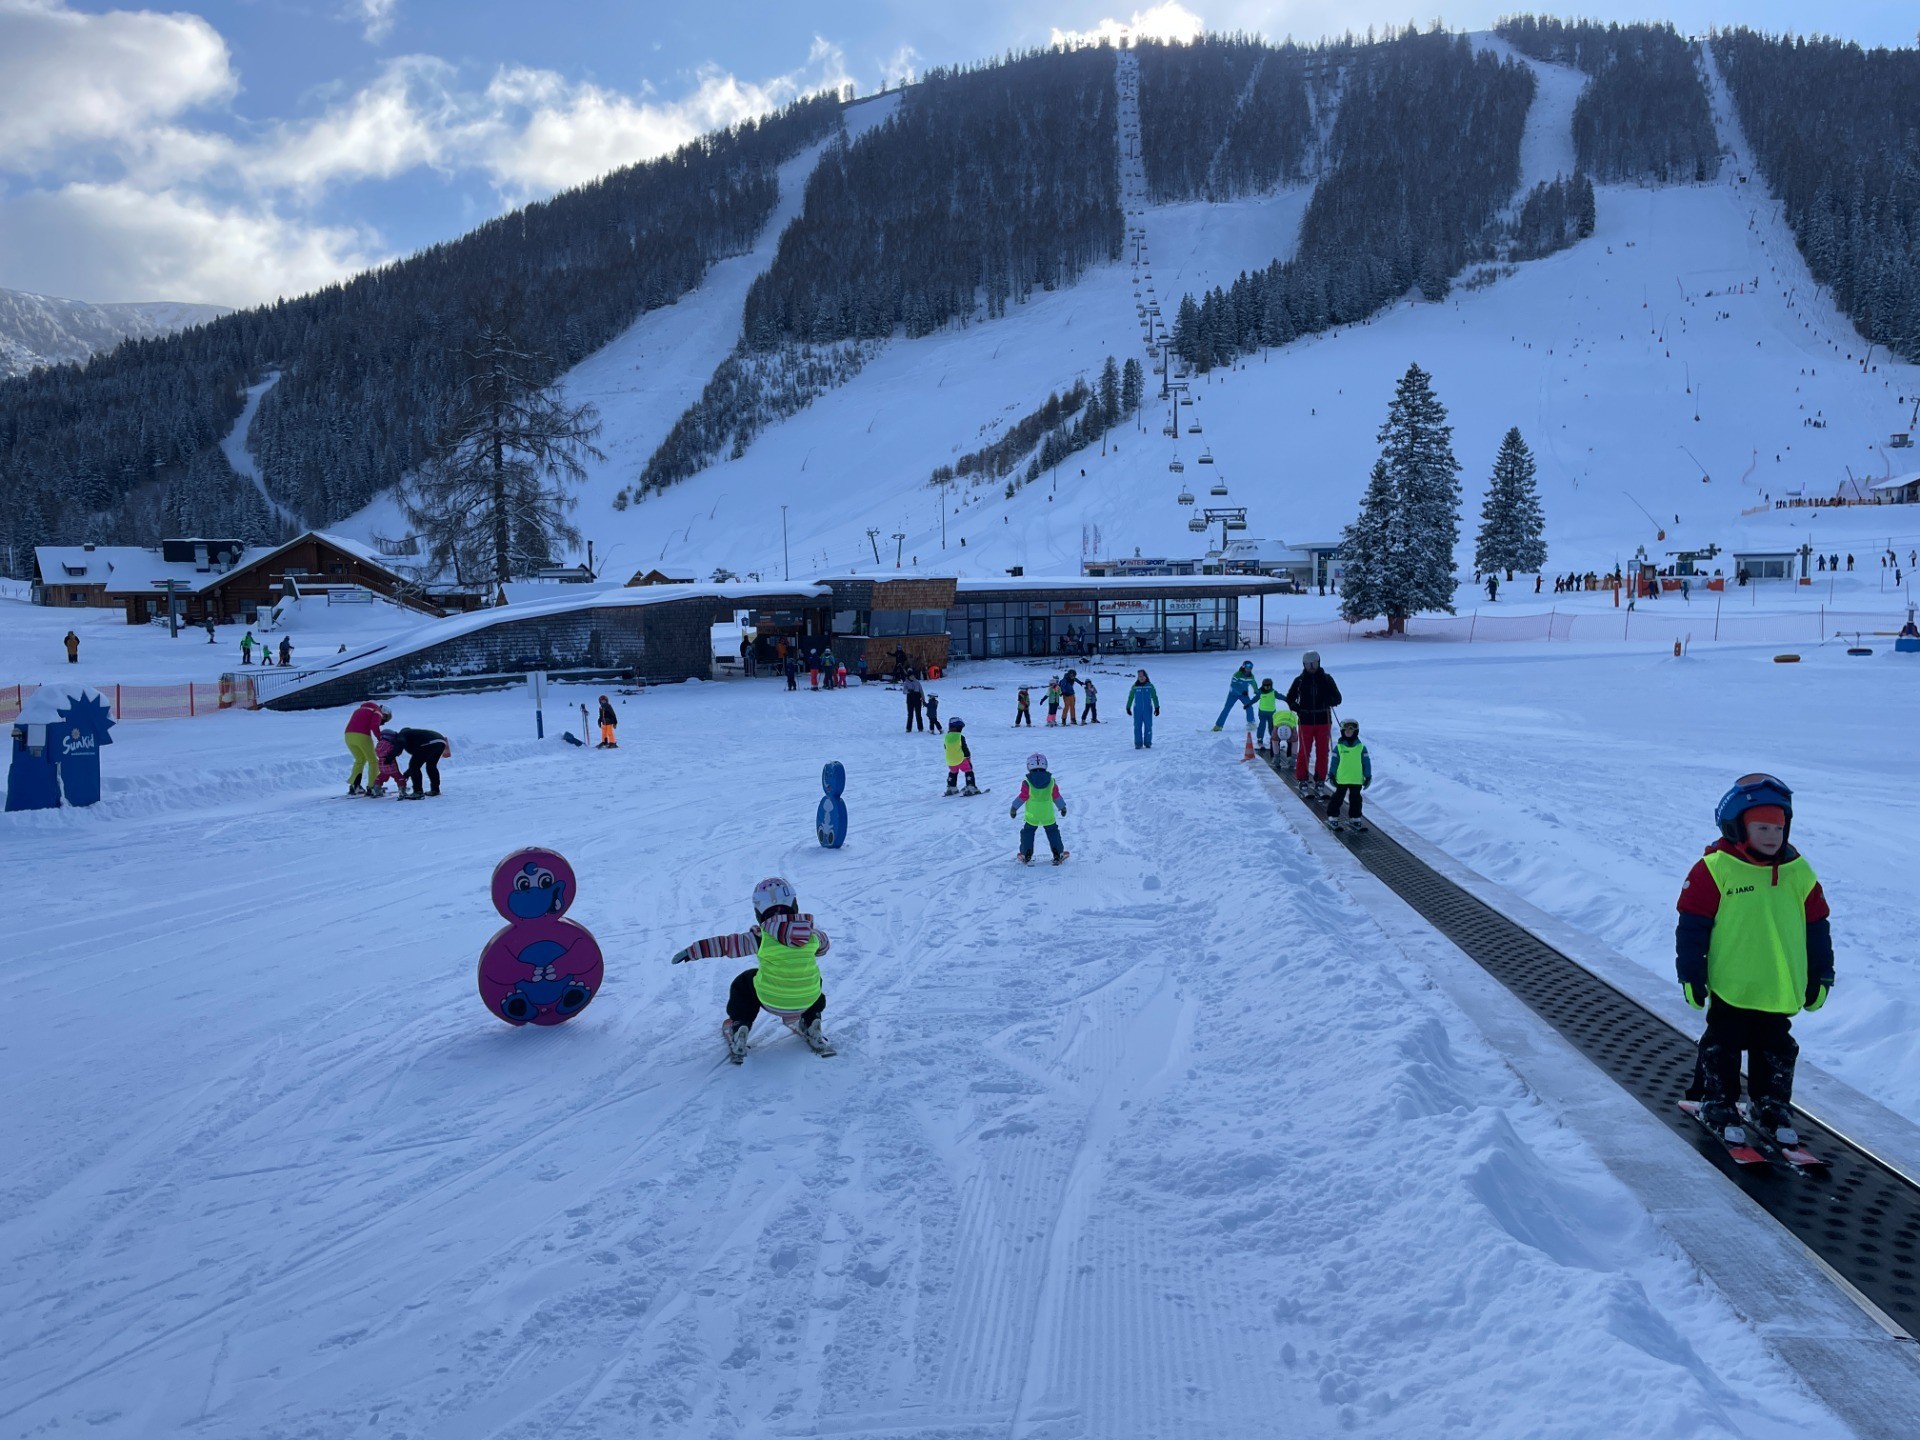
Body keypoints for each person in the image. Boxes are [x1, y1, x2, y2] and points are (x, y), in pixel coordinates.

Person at [1676, 774, 1833, 1147]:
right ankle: (1718, 1101)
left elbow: (1817, 928)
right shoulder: (1715, 869)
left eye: (1778, 828)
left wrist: (1821, 974)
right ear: (1737, 826)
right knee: (1723, 1044)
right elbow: (1692, 926)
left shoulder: (1799, 872)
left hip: (1779, 987)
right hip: (1731, 983)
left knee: (1777, 1048)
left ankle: (1770, 1105)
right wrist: (1691, 972)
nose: (1772, 836)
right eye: (1762, 827)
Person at [671, 877, 833, 1061]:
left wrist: (692, 951)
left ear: (759, 912)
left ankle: (740, 1026)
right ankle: (812, 1023)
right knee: (811, 977)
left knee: (745, 981)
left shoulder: (761, 937)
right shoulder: (813, 935)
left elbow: (725, 945)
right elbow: (824, 948)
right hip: (807, 1000)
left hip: (771, 1000)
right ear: (794, 905)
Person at [1285, 651, 1342, 794]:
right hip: (1306, 720)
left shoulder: (1327, 679)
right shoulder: (1299, 681)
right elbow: (1290, 698)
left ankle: (1320, 779)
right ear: (1304, 665)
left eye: (1314, 664)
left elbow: (1338, 698)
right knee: (1304, 751)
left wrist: (1329, 701)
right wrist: (1296, 707)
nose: (1312, 667)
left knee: (1323, 751)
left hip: (1323, 720)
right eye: (1308, 664)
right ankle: (1302, 779)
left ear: (1319, 663)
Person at [1011, 751, 1069, 864]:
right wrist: (1062, 807)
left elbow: (1022, 797)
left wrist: (1014, 807)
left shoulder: (1027, 783)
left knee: (1028, 832)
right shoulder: (1051, 782)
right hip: (1047, 814)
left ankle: (1026, 853)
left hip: (1032, 815)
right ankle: (1058, 853)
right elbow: (1056, 796)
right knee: (1053, 832)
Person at [1325, 719, 1372, 828]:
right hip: (1342, 779)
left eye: (1351, 730)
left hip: (1356, 779)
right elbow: (1334, 762)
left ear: (1356, 731)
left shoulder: (1361, 747)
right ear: (1342, 731)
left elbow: (1366, 762)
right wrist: (1331, 774)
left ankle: (1355, 817)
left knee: (1356, 799)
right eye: (1346, 730)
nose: (1348, 732)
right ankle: (1333, 816)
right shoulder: (1339, 747)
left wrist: (1368, 776)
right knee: (1338, 798)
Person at [343, 700, 389, 795]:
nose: (383, 721)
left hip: (348, 736)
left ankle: (354, 786)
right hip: (362, 736)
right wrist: (380, 739)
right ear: (385, 714)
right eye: (384, 719)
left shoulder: (360, 710)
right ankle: (373, 787)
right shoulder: (377, 711)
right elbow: (374, 725)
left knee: (360, 760)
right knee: (373, 761)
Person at [395, 726, 450, 797]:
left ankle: (418, 792)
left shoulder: (403, 734)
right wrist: (407, 774)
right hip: (441, 741)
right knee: (431, 766)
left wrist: (391, 756)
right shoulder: (416, 736)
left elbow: (415, 764)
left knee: (414, 765)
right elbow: (420, 760)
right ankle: (435, 790)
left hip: (429, 743)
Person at [1212, 660, 1256, 731]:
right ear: (1244, 667)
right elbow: (1233, 685)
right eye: (1247, 666)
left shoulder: (1251, 676)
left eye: (1250, 667)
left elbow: (1253, 683)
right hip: (1233, 694)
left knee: (1249, 707)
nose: (1249, 668)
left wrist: (1256, 691)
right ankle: (1218, 726)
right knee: (1227, 708)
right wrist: (1241, 692)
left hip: (1243, 695)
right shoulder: (1237, 674)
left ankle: (1251, 723)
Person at [943, 717, 980, 795]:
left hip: (950, 760)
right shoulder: (960, 737)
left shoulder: (946, 737)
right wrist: (968, 756)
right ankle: (971, 787)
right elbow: (964, 748)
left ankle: (951, 787)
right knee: (968, 770)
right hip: (961, 759)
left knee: (953, 772)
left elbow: (946, 747)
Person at [1126, 669, 1158, 749]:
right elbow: (1131, 697)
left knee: (1148, 726)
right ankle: (1138, 743)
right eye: (1139, 676)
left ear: (1145, 676)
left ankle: (1148, 743)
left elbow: (1154, 697)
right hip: (1138, 710)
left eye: (1142, 676)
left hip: (1147, 710)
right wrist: (1128, 707)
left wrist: (1157, 707)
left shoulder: (1150, 686)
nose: (1141, 678)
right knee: (1137, 727)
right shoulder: (1135, 686)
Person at [370, 730, 404, 797]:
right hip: (390, 764)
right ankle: (402, 790)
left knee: (381, 777)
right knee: (399, 777)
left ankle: (376, 790)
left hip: (381, 764)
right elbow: (396, 753)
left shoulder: (379, 744)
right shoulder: (390, 745)